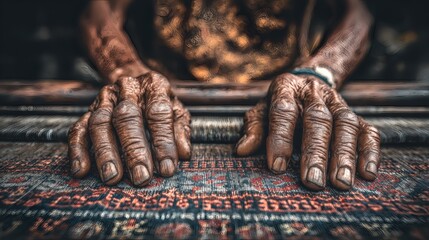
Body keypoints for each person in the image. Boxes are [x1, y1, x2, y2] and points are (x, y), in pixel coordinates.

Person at [68, 0, 380, 191]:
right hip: (163, 100)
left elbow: (356, 13)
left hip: (280, 102)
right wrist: (128, 75)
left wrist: (318, 74)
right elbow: (101, 10)